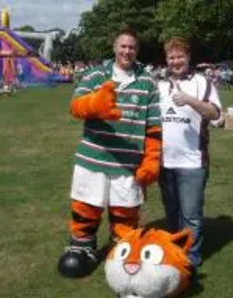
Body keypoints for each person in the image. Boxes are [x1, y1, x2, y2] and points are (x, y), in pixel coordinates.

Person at [57, 28, 162, 278]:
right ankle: (82, 247)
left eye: (132, 47)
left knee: (125, 213)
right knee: (86, 208)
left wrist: (151, 160)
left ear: (137, 51)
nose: (127, 51)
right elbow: (75, 106)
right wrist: (95, 104)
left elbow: (154, 126)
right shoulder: (96, 75)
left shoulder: (148, 82)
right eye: (123, 46)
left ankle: (122, 250)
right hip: (93, 158)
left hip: (128, 163)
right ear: (114, 47)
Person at [158, 37, 222, 270]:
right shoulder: (159, 85)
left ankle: (190, 260)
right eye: (171, 57)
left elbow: (215, 114)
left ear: (188, 57)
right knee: (172, 212)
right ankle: (174, 251)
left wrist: (189, 100)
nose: (176, 61)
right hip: (164, 161)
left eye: (180, 57)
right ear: (166, 60)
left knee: (191, 215)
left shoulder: (202, 83)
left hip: (193, 162)